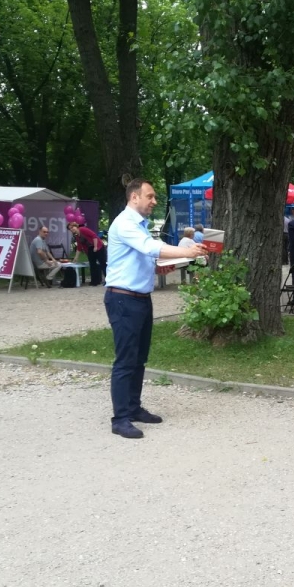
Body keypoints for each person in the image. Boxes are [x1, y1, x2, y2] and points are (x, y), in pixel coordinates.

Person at [104, 179, 208, 439]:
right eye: (150, 196)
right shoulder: (125, 223)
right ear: (134, 197)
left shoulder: (139, 225)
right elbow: (150, 247)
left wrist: (158, 266)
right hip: (123, 299)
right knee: (125, 360)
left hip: (139, 298)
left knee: (139, 358)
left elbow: (145, 256)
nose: (154, 201)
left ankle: (133, 408)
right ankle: (120, 419)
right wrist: (188, 252)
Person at [68, 221, 107, 286]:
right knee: (92, 265)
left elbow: (94, 236)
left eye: (72, 227)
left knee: (102, 264)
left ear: (76, 226)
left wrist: (95, 246)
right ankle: (94, 281)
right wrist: (76, 257)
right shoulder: (77, 236)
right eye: (70, 229)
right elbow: (79, 247)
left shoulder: (83, 229)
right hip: (90, 249)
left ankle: (108, 280)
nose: (72, 229)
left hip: (98, 247)